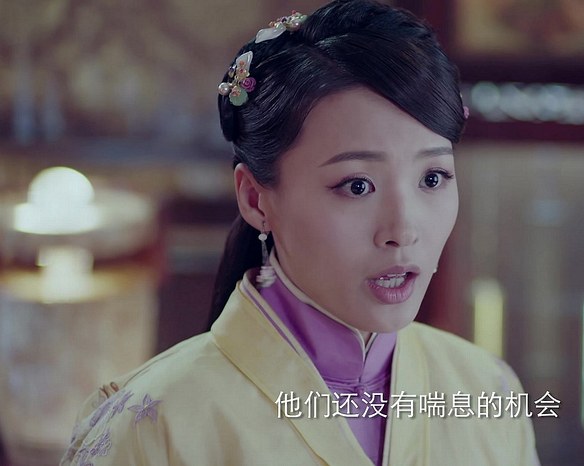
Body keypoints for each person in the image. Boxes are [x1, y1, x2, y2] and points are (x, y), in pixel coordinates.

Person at [62, 1, 539, 464]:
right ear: (256, 199)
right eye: (357, 185)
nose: (403, 231)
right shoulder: (151, 427)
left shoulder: (486, 392)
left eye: (432, 178)